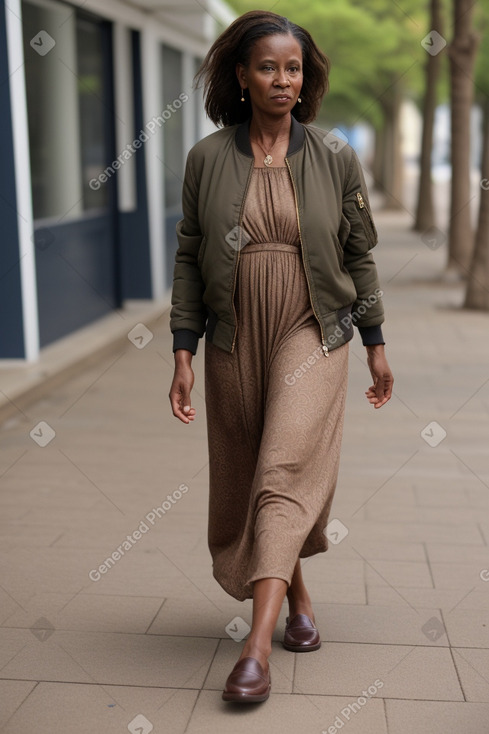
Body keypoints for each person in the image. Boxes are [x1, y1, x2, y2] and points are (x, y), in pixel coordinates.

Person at [169, 9, 393, 704]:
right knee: (250, 476)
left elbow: (358, 254)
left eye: (292, 67)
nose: (281, 79)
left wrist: (377, 343)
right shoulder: (208, 158)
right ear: (241, 75)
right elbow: (187, 255)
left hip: (312, 326)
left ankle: (255, 652)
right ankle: (298, 602)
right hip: (235, 334)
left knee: (281, 468)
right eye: (267, 66)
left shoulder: (332, 154)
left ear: (306, 77)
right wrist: (182, 349)